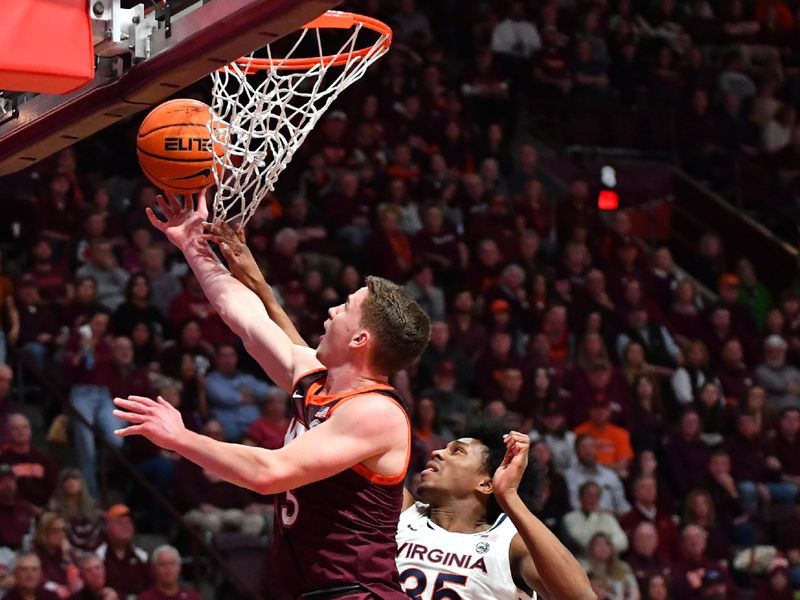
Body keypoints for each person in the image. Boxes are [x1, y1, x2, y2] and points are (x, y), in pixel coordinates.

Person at [114, 193, 431, 599]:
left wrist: (181, 438)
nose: (332, 310)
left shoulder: (376, 412)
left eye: (346, 307)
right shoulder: (317, 380)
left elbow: (268, 474)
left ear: (360, 338)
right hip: (302, 587)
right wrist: (191, 245)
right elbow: (244, 317)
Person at [396, 421, 594, 599]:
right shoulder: (403, 513)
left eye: (457, 451)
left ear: (486, 484)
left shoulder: (509, 542)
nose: (437, 452)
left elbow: (580, 597)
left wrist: (508, 495)